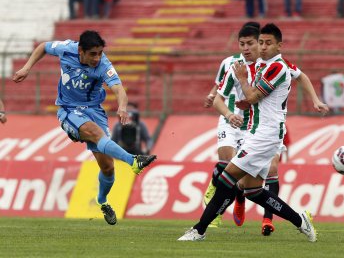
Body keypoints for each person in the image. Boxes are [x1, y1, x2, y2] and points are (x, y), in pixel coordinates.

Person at [178, 23, 317, 242]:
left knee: (225, 179)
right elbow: (223, 96)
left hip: (266, 135)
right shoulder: (250, 65)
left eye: (263, 43)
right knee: (253, 191)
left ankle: (199, 230)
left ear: (278, 46)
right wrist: (232, 104)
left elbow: (253, 97)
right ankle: (300, 221)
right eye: (258, 43)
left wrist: (242, 81)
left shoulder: (277, 67)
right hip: (254, 133)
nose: (259, 48)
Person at [13, 30, 156, 225]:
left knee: (107, 167)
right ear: (81, 51)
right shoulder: (66, 49)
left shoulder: (104, 64)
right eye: (93, 54)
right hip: (69, 110)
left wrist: (122, 107)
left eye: (99, 53)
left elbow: (119, 89)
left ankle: (102, 201)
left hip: (94, 111)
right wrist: (27, 68)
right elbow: (43, 47)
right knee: (96, 134)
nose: (97, 58)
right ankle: (133, 161)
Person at [232, 57, 329, 236]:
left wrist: (315, 100)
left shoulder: (280, 64)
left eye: (263, 42)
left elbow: (301, 76)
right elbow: (239, 94)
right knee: (244, 183)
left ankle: (267, 219)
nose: (255, 48)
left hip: (274, 128)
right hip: (250, 126)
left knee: (272, 169)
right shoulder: (241, 64)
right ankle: (239, 194)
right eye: (248, 44)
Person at [203, 22, 261, 227]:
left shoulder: (265, 66)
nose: (245, 48)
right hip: (228, 120)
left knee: (241, 179)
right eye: (241, 43)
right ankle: (215, 209)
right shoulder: (228, 62)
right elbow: (219, 84)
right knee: (226, 164)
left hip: (251, 125)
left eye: (249, 43)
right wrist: (212, 96)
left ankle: (239, 198)